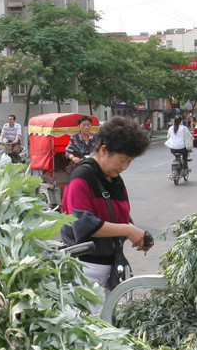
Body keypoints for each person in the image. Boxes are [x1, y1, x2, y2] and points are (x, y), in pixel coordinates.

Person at [60, 116, 152, 288]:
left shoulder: (115, 179)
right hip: (84, 270)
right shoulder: (81, 178)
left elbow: (121, 217)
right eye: (123, 160)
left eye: (129, 162)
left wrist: (138, 235)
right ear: (103, 151)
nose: (125, 166)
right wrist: (127, 229)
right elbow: (83, 224)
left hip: (109, 267)